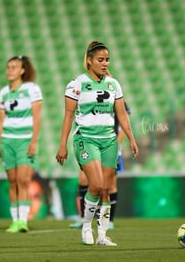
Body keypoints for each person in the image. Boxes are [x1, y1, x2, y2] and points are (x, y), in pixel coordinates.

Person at [56, 41, 138, 246]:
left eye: (107, 59)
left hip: (109, 140)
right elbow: (68, 116)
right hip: (86, 139)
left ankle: (102, 235)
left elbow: (122, 115)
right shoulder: (77, 84)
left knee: (106, 188)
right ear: (89, 61)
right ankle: (86, 227)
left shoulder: (113, 84)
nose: (104, 63)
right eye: (100, 60)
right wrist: (62, 145)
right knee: (97, 184)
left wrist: (132, 139)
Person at [0, 56, 42, 233]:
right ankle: (15, 220)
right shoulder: (4, 92)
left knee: (23, 180)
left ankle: (23, 220)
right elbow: (0, 121)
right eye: (8, 67)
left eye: (14, 67)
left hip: (24, 139)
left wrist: (34, 141)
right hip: (7, 140)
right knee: (12, 181)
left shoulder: (31, 89)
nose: (10, 70)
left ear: (22, 70)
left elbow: (37, 116)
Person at [70, 102, 131, 229]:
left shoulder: (118, 101)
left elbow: (124, 125)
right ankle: (83, 218)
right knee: (83, 179)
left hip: (111, 146)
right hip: (93, 144)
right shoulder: (91, 97)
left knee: (110, 185)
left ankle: (109, 221)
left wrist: (116, 146)